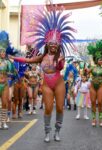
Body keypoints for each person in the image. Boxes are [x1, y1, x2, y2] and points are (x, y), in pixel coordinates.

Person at [9, 7, 76, 143]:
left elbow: (61, 67)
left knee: (59, 108)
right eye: (51, 43)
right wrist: (13, 57)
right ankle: (47, 132)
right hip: (47, 84)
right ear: (47, 44)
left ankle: (57, 131)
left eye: (56, 44)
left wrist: (60, 62)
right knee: (48, 109)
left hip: (59, 83)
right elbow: (27, 60)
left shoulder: (60, 56)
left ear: (58, 45)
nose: (53, 45)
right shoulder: (41, 57)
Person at [0, 31, 15, 129]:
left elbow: (12, 73)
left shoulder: (8, 62)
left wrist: (11, 69)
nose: (2, 53)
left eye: (3, 52)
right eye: (1, 51)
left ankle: (3, 122)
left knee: (5, 102)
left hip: (5, 84)